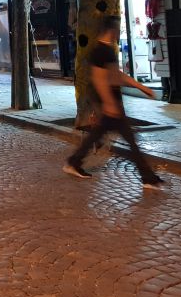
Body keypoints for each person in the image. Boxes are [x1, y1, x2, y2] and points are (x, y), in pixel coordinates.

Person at [63, 15, 165, 190]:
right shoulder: (102, 51)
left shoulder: (106, 50)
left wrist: (142, 88)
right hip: (109, 103)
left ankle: (74, 162)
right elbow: (100, 78)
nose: (119, 32)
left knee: (102, 135)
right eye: (118, 28)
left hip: (110, 102)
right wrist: (109, 104)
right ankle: (147, 177)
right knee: (130, 140)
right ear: (112, 29)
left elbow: (116, 75)